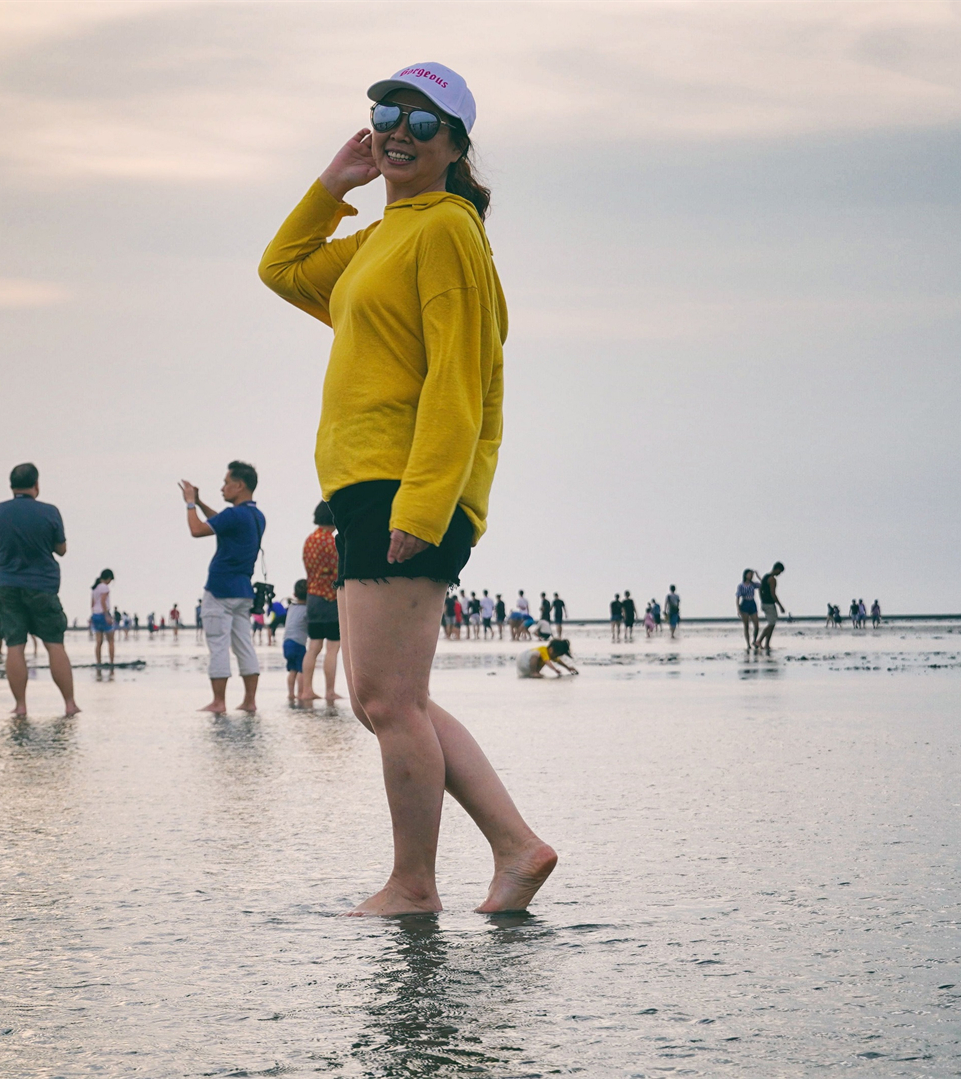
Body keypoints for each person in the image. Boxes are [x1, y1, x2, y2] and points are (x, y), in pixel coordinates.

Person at [258, 62, 556, 915]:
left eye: (424, 123)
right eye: (388, 113)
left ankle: (415, 883)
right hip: (366, 483)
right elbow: (282, 268)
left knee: (388, 701)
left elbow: (459, 381)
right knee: (386, 700)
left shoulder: (448, 230)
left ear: (456, 147)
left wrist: (424, 506)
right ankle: (516, 847)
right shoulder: (386, 236)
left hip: (405, 487)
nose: (399, 131)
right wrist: (331, 187)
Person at [0, 463, 80, 717]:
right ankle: (69, 703)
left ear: (11, 485)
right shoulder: (49, 512)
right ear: (36, 484)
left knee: (14, 645)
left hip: (7, 583)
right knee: (54, 643)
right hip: (42, 585)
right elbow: (61, 549)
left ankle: (20, 706)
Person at [179, 461, 265, 715]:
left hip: (219, 588)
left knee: (217, 644)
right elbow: (222, 523)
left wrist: (190, 503)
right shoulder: (256, 516)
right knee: (244, 645)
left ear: (239, 486)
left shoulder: (233, 515)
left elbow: (197, 530)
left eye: (226, 483)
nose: (222, 488)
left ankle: (218, 701)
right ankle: (249, 700)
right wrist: (201, 502)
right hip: (244, 590)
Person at [300, 501, 341, 704]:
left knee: (313, 646)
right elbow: (337, 571)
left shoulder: (309, 540)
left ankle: (306, 690)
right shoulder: (331, 542)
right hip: (330, 598)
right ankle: (330, 691)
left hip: (313, 597)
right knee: (332, 648)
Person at [284, 579, 311, 702]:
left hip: (286, 643)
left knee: (292, 670)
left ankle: (291, 694)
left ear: (294, 594)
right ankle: (301, 693)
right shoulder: (307, 610)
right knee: (302, 670)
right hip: (298, 644)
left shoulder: (291, 607)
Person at [757, 561, 787, 650]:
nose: (779, 574)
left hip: (764, 603)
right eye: (780, 572)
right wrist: (780, 606)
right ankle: (759, 640)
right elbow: (773, 594)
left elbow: (760, 590)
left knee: (772, 624)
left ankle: (767, 644)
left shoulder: (765, 577)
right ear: (777, 569)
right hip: (769, 604)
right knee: (771, 624)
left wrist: (762, 600)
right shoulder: (772, 579)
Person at [91, 569, 116, 667]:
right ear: (108, 578)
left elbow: (92, 603)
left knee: (98, 642)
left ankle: (98, 662)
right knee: (111, 641)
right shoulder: (104, 587)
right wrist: (107, 615)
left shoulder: (95, 588)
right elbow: (103, 601)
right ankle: (111, 662)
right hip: (103, 614)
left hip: (95, 615)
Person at [736, 569, 760, 651]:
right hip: (745, 603)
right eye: (749, 574)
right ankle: (748, 644)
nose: (750, 576)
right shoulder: (741, 586)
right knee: (746, 626)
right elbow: (738, 597)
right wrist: (738, 609)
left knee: (756, 625)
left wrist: (758, 576)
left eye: (751, 575)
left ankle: (754, 640)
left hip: (752, 603)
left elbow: (763, 584)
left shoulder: (753, 584)